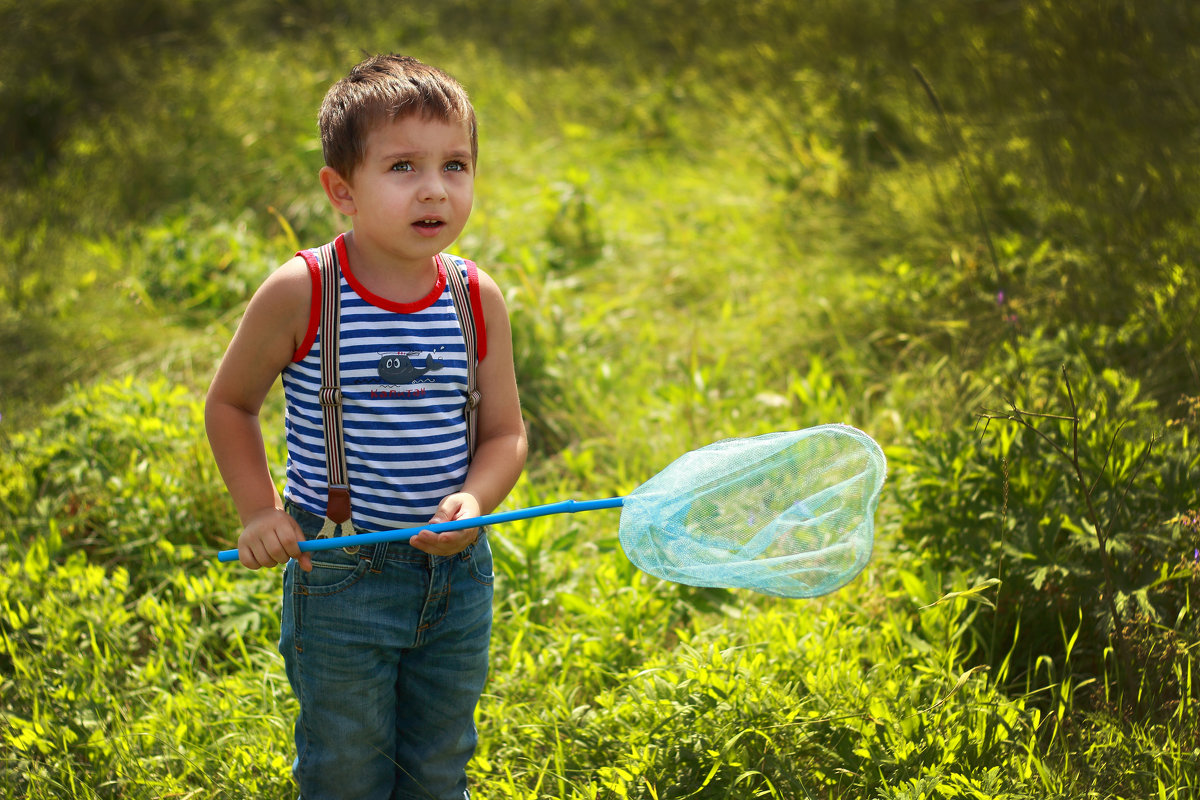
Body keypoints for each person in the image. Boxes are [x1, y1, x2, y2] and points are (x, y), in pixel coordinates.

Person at [205, 54, 527, 800]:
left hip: (455, 577)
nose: (434, 189)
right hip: (343, 573)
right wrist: (259, 510)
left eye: (456, 165)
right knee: (347, 767)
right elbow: (230, 404)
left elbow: (505, 434)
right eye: (404, 166)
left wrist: (476, 502)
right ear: (341, 190)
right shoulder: (305, 290)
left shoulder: (474, 296)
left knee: (439, 762)